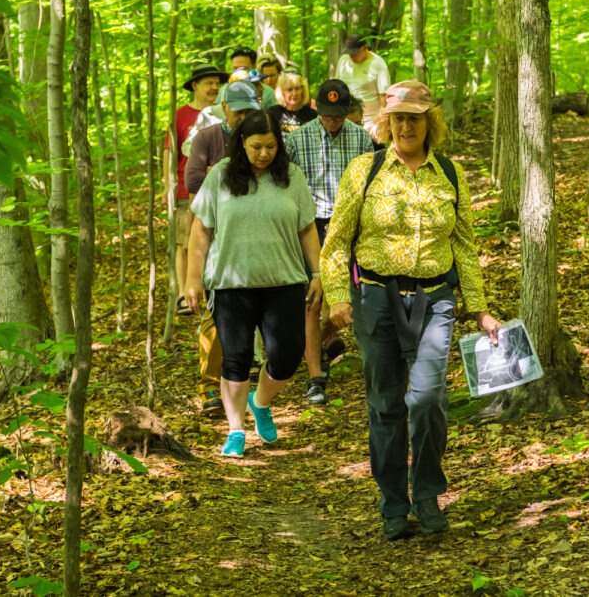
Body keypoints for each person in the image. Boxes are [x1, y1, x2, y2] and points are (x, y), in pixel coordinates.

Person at [320, 80, 501, 540]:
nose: (406, 126)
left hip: (435, 297)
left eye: (415, 118)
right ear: (386, 122)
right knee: (385, 405)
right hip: (375, 297)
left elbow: (463, 243)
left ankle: (426, 492)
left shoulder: (449, 174)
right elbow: (337, 241)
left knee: (426, 400)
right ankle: (393, 503)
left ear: (429, 122)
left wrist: (478, 309)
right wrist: (339, 295)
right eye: (398, 118)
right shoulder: (365, 170)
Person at [185, 110, 322, 458]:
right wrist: (192, 279)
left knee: (287, 357)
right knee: (236, 357)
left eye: (271, 146)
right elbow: (201, 229)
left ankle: (259, 403)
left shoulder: (290, 176)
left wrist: (319, 273)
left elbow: (307, 228)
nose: (264, 154)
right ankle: (235, 430)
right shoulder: (220, 176)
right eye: (256, 146)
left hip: (285, 280)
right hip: (232, 283)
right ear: (241, 143)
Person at [285, 79, 373, 406]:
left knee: (355, 294)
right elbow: (287, 187)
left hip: (351, 228)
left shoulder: (361, 139)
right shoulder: (298, 140)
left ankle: (335, 350)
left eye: (338, 115)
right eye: (327, 115)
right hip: (312, 227)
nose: (333, 121)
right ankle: (314, 376)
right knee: (312, 299)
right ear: (317, 111)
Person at [182, 80, 260, 414]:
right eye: (239, 110)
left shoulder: (261, 136)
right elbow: (194, 180)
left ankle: (240, 377)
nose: (243, 117)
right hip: (213, 228)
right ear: (225, 107)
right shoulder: (208, 137)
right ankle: (209, 386)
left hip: (254, 230)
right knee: (215, 310)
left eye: (249, 111)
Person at [165, 63, 226, 318]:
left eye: (216, 83)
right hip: (187, 187)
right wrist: (167, 185)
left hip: (220, 189)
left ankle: (210, 285)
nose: (213, 87)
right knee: (185, 239)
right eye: (208, 83)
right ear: (194, 86)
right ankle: (183, 292)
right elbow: (170, 151)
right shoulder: (180, 115)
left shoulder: (224, 112)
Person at [336, 33, 391, 130]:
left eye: (355, 53)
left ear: (364, 48)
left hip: (369, 122)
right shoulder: (343, 61)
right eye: (350, 53)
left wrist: (380, 121)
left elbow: (384, 97)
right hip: (344, 119)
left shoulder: (378, 64)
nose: (352, 57)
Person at [210, 49, 277, 119]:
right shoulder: (223, 90)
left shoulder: (267, 92)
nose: (238, 72)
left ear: (254, 67)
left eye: (244, 68)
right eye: (235, 68)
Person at [267, 68, 317, 140]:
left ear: (303, 90)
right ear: (282, 91)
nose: (294, 93)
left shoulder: (312, 116)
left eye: (297, 89)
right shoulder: (272, 113)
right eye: (289, 89)